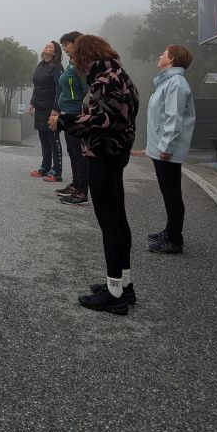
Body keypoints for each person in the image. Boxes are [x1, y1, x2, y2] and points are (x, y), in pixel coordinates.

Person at [50, 35, 139, 315]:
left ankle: (115, 294)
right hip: (115, 153)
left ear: (86, 54)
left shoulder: (105, 78)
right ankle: (123, 285)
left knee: (109, 222)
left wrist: (65, 120)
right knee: (118, 220)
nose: (74, 61)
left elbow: (105, 119)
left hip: (104, 154)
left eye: (75, 55)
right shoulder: (117, 73)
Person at [140, 44, 196, 255]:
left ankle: (174, 240)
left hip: (168, 150)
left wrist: (166, 147)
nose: (159, 55)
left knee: (172, 193)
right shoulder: (168, 82)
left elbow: (174, 119)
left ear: (171, 59)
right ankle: (169, 231)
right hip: (162, 148)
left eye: (163, 53)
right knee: (168, 192)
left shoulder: (176, 83)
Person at [55, 32, 90, 205]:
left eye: (66, 44)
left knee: (79, 152)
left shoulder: (81, 63)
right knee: (72, 151)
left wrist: (84, 114)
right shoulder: (70, 63)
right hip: (67, 112)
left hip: (77, 113)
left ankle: (82, 191)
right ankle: (76, 185)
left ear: (76, 43)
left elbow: (87, 91)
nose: (64, 47)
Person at [28, 41, 63, 182]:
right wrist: (32, 102)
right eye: (46, 45)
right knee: (43, 139)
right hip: (40, 108)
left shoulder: (57, 67)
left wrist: (56, 108)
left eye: (50, 46)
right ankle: (45, 168)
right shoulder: (41, 65)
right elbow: (37, 86)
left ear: (55, 53)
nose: (46, 47)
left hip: (51, 109)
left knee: (53, 140)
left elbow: (60, 88)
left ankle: (57, 171)